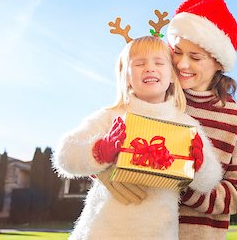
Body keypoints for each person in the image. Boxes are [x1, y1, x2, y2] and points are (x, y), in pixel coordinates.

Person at [53, 22, 222, 239]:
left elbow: (210, 179)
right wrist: (98, 151)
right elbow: (64, 155)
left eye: (159, 62)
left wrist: (200, 164)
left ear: (172, 75)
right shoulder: (112, 117)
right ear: (126, 77)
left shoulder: (186, 124)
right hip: (101, 231)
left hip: (158, 232)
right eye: (139, 63)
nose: (150, 68)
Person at [167, 0, 237, 239]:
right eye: (177, 51)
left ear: (218, 62)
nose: (183, 64)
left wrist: (181, 186)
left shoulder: (236, 119)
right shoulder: (157, 99)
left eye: (195, 57)